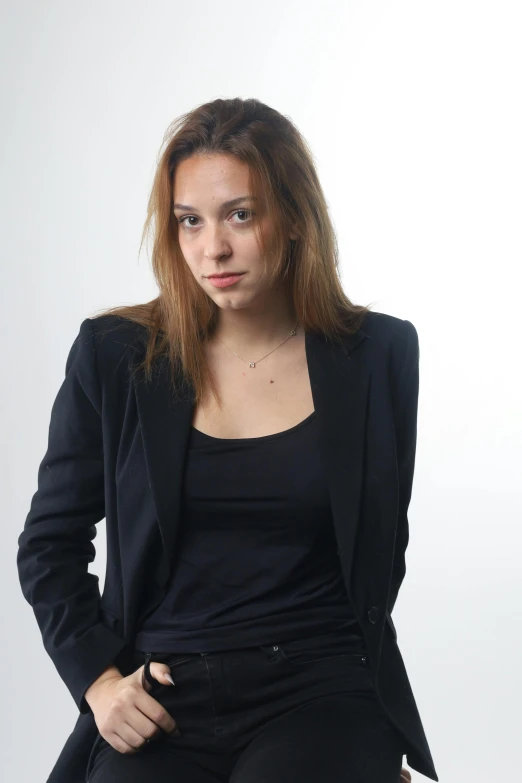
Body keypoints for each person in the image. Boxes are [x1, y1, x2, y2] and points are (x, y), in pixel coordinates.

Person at [17, 97, 438, 783]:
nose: (212, 248)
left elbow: (379, 550)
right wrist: (99, 685)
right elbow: (48, 544)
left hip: (320, 690)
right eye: (190, 221)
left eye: (240, 214)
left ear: (294, 217)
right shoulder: (116, 356)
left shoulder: (378, 354)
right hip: (165, 693)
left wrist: (361, 754)